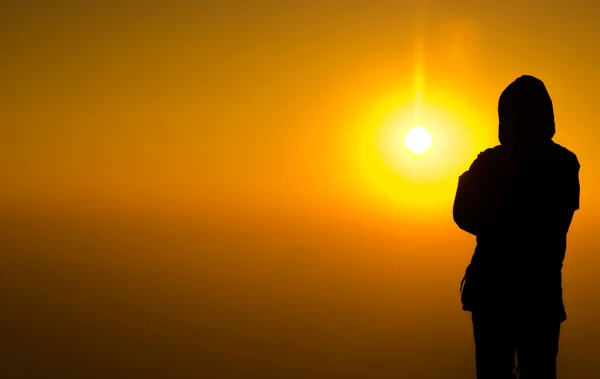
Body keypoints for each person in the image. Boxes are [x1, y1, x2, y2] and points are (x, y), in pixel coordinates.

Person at [453, 75, 580, 379]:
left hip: (496, 293)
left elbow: (463, 213)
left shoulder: (489, 164)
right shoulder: (563, 163)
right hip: (539, 293)